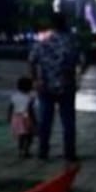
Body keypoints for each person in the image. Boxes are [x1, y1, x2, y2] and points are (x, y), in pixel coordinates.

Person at [28, 13, 86, 162]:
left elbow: (32, 61)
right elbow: (83, 61)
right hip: (67, 85)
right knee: (68, 121)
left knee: (45, 119)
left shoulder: (43, 41)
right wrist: (76, 75)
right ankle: (69, 153)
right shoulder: (72, 41)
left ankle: (43, 151)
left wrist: (35, 80)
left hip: (46, 85)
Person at [8, 76, 37, 159]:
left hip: (16, 117)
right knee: (29, 135)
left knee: (21, 136)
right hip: (26, 117)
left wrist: (9, 117)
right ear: (30, 87)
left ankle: (20, 150)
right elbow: (30, 110)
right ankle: (26, 151)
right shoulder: (30, 98)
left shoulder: (14, 96)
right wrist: (34, 121)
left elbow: (11, 107)